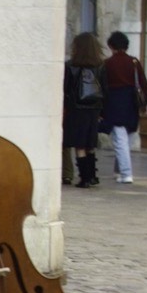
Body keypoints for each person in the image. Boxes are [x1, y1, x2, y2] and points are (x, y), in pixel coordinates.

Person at [102, 31, 147, 184]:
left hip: (114, 104)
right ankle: (119, 171)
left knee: (120, 141)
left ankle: (126, 173)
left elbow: (102, 87)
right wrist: (144, 104)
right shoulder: (134, 62)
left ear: (111, 46)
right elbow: (143, 84)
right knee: (125, 140)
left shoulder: (107, 64)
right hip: (131, 104)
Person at [62, 32, 106, 188]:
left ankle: (84, 178)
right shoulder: (101, 66)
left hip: (77, 107)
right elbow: (105, 89)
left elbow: (66, 88)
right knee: (90, 142)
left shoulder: (71, 65)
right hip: (95, 108)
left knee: (79, 143)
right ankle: (92, 175)